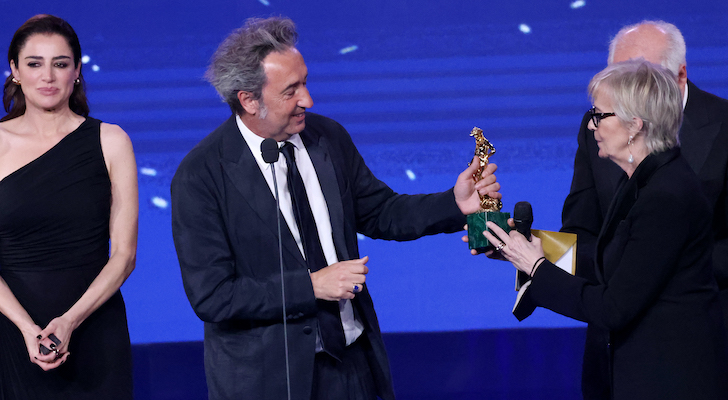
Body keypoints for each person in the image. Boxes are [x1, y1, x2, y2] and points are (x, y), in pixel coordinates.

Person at [170, 16, 499, 400]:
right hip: (268, 382)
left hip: (349, 368)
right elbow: (213, 296)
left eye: (305, 82)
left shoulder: (326, 137)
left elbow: (380, 211)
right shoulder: (202, 175)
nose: (307, 100)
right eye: (290, 90)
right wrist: (310, 287)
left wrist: (454, 203)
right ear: (248, 99)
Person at [485, 59, 728, 400]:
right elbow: (609, 263)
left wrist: (537, 267)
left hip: (672, 382)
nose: (591, 127)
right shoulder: (642, 182)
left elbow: (613, 306)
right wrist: (522, 247)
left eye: (599, 115)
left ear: (635, 125)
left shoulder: (666, 195)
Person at [561, 21, 728, 400]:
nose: (622, 94)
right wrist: (524, 247)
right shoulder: (598, 127)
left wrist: (659, 272)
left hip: (698, 350)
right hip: (616, 349)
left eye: (637, 79)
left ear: (679, 74)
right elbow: (582, 232)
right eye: (615, 77)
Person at [0, 14, 138, 399]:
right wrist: (28, 329)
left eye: (60, 64)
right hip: (16, 330)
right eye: (34, 63)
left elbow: (124, 256)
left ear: (76, 70)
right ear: (15, 71)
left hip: (94, 328)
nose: (48, 76)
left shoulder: (111, 141)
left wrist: (70, 321)